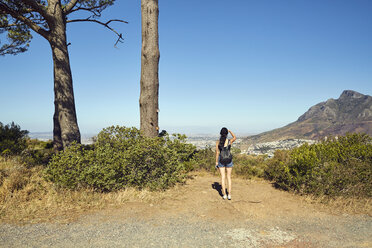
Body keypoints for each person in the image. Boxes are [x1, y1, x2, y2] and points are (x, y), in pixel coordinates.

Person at [215, 127, 236, 200]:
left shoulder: (218, 142)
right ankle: (229, 194)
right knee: (229, 177)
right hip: (229, 160)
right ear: (226, 134)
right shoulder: (230, 141)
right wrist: (230, 131)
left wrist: (216, 162)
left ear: (220, 133)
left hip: (221, 160)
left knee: (223, 178)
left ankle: (224, 195)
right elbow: (235, 137)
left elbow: (217, 152)